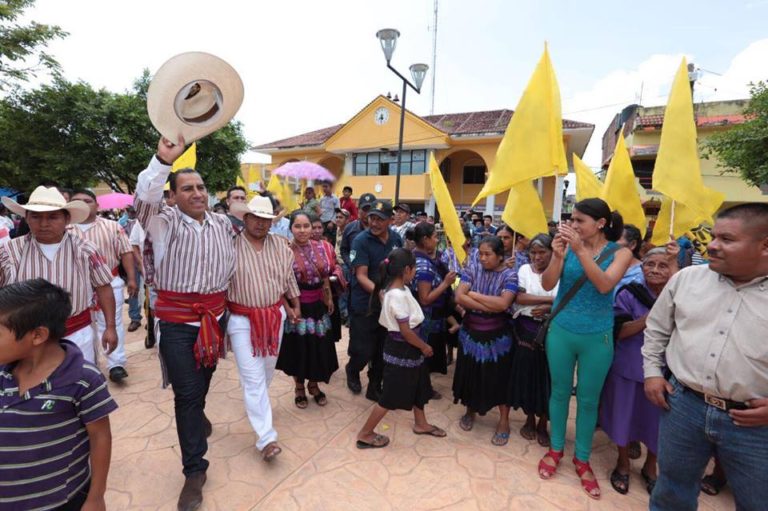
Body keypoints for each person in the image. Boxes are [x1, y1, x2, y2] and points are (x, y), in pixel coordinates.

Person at [643, 203, 768, 511]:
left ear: (764, 246)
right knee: (670, 493)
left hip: (755, 424)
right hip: (683, 406)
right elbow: (657, 329)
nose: (712, 245)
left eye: (726, 239)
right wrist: (652, 372)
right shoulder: (686, 279)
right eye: (713, 236)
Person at [134, 136, 236, 511]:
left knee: (201, 386)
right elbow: (144, 198)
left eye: (201, 187)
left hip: (215, 319)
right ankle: (195, 470)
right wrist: (163, 158)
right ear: (173, 196)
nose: (197, 193)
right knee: (187, 394)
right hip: (177, 322)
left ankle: (197, 413)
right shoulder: (162, 222)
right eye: (187, 188)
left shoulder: (224, 224)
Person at [538, 197, 632, 499]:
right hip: (562, 331)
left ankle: (581, 458)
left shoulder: (621, 252)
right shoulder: (566, 247)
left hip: (598, 337)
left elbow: (604, 285)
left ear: (600, 223)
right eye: (572, 219)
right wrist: (557, 256)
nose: (573, 225)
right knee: (560, 392)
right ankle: (555, 450)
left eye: (580, 220)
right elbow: (548, 284)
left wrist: (579, 251)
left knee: (589, 401)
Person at [0, 279, 117, 510]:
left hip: (61, 501)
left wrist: (95, 497)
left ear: (37, 336)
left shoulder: (83, 379)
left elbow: (100, 437)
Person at [0, 187, 117, 364]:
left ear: (67, 219)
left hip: (77, 333)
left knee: (77, 384)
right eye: (36, 217)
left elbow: (103, 287)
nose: (44, 224)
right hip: (25, 337)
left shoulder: (85, 249)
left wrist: (110, 327)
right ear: (27, 218)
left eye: (53, 217)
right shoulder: (9, 251)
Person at [227, 196, 301, 462]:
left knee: (266, 371)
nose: (260, 223)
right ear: (244, 218)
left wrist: (294, 305)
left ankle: (256, 403)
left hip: (273, 316)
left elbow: (287, 280)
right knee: (254, 377)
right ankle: (266, 438)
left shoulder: (282, 247)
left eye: (266, 219)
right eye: (255, 218)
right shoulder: (230, 247)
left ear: (272, 222)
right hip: (241, 319)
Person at [601, 247, 677, 496]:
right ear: (641, 268)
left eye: (663, 265)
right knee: (623, 418)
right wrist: (650, 317)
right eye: (650, 264)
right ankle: (622, 464)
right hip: (628, 366)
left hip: (666, 371)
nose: (655, 270)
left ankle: (650, 467)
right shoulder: (628, 293)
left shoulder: (680, 296)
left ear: (673, 270)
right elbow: (619, 331)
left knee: (658, 424)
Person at [356, 248, 447, 448]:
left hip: (409, 347)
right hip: (405, 347)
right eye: (414, 269)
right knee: (390, 396)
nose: (415, 273)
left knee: (419, 384)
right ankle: (366, 432)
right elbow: (405, 331)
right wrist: (424, 346)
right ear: (406, 270)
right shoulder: (396, 295)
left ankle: (421, 423)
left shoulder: (397, 289)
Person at [453, 236, 518, 445]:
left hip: (497, 337)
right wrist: (490, 303)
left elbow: (503, 304)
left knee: (499, 378)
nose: (482, 258)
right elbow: (458, 297)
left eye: (487, 254)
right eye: (480, 253)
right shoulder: (472, 269)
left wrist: (474, 296)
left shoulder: (510, 275)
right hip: (471, 333)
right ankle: (470, 410)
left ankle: (504, 421)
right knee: (470, 373)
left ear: (500, 256)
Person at [69, 189, 137, 383]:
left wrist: (131, 278)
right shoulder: (64, 229)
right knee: (83, 327)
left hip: (110, 283)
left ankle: (116, 363)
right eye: (77, 201)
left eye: (87, 200)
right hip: (77, 288)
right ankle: (88, 366)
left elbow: (125, 252)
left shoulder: (112, 226)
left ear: (97, 206)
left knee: (111, 323)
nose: (83, 204)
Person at [276, 211, 339, 408]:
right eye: (298, 226)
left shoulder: (323, 247)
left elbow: (325, 276)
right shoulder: (284, 250)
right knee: (299, 347)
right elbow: (278, 284)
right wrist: (288, 308)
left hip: (318, 305)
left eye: (306, 226)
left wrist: (328, 297)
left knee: (318, 346)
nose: (302, 230)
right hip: (297, 306)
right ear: (291, 228)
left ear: (312, 228)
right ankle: (299, 387)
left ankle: (313, 385)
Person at [346, 200, 403, 401]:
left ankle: (374, 385)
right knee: (363, 349)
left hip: (388, 305)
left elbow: (399, 270)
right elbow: (361, 275)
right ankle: (352, 370)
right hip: (365, 304)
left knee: (382, 349)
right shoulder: (361, 240)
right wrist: (380, 293)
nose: (375, 223)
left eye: (380, 219)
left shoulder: (396, 239)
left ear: (391, 220)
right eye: (372, 218)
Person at [508, 234, 559, 447]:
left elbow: (567, 300)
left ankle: (543, 423)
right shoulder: (524, 271)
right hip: (526, 331)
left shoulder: (559, 273)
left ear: (552, 252)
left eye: (542, 252)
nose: (536, 257)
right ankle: (529, 418)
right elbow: (519, 298)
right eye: (533, 252)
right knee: (528, 377)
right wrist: (551, 300)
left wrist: (550, 309)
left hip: (552, 332)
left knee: (548, 378)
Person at [411, 222, 457, 378]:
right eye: (435, 237)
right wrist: (445, 283)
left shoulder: (415, 256)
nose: (437, 240)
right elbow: (425, 299)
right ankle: (422, 388)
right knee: (424, 355)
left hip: (424, 317)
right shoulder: (424, 266)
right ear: (425, 239)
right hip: (427, 320)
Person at [340, 192, 376, 267]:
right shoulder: (350, 228)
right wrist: (351, 263)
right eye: (365, 209)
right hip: (354, 271)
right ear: (359, 210)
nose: (368, 213)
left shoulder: (381, 229)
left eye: (370, 209)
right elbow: (344, 250)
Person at [127, 219, 146, 333]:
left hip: (159, 266)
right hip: (140, 261)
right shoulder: (139, 223)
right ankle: (135, 318)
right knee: (134, 290)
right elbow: (133, 243)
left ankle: (152, 319)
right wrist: (140, 262)